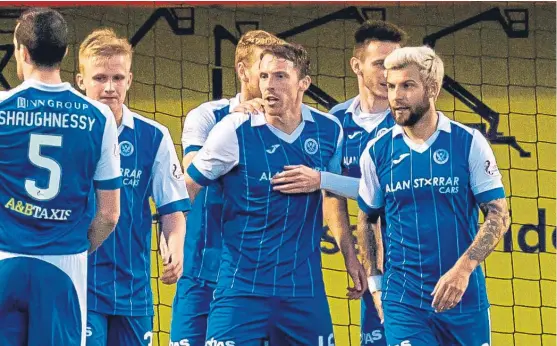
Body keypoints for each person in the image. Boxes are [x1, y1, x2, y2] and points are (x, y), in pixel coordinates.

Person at [185, 43, 365, 345]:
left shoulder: (328, 129)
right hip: (241, 289)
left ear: (303, 84)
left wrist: (320, 180)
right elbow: (186, 189)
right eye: (265, 75)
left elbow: (351, 193)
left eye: (280, 76)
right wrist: (171, 240)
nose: (269, 85)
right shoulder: (234, 129)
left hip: (303, 291)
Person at [357, 46, 510, 346]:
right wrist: (376, 285)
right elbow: (366, 220)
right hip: (404, 301)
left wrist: (462, 270)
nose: (396, 96)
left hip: (464, 298)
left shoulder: (468, 143)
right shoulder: (377, 151)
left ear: (432, 89)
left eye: (407, 86)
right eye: (391, 86)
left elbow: (498, 215)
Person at [269, 20, 408, 345]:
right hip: (371, 255)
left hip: (411, 255)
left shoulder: (409, 120)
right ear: (356, 66)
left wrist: (319, 178)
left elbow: (385, 191)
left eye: (396, 65)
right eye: (380, 64)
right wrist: (350, 254)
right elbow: (333, 199)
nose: (389, 73)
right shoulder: (335, 121)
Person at [0, 8, 121, 346]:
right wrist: (81, 247)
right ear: (66, 52)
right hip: (64, 266)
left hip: (4, 259)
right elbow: (110, 215)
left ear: (21, 52)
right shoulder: (98, 117)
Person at [169, 30, 285, 346]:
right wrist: (233, 126)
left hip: (259, 280)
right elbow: (192, 173)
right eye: (263, 68)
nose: (269, 79)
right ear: (242, 70)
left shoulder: (292, 126)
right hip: (201, 271)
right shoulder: (208, 116)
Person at [76, 28, 190, 346]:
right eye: (100, 78)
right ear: (81, 80)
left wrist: (175, 247)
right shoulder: (68, 133)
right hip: (78, 282)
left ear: (129, 80)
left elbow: (172, 209)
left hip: (133, 290)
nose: (110, 87)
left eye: (117, 77)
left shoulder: (154, 136)